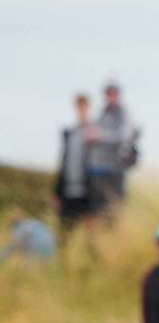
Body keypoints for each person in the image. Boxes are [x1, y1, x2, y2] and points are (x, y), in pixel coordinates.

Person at [87, 82, 139, 213]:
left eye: (113, 94)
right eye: (108, 94)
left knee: (114, 206)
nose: (110, 97)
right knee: (97, 207)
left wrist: (100, 136)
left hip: (115, 168)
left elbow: (124, 136)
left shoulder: (124, 113)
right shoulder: (101, 113)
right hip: (98, 167)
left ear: (118, 95)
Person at [54, 94, 97, 235]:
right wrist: (57, 192)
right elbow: (63, 163)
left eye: (84, 106)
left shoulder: (95, 133)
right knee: (64, 234)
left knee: (90, 237)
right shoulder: (69, 133)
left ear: (89, 108)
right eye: (79, 106)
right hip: (68, 193)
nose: (81, 109)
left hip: (87, 194)